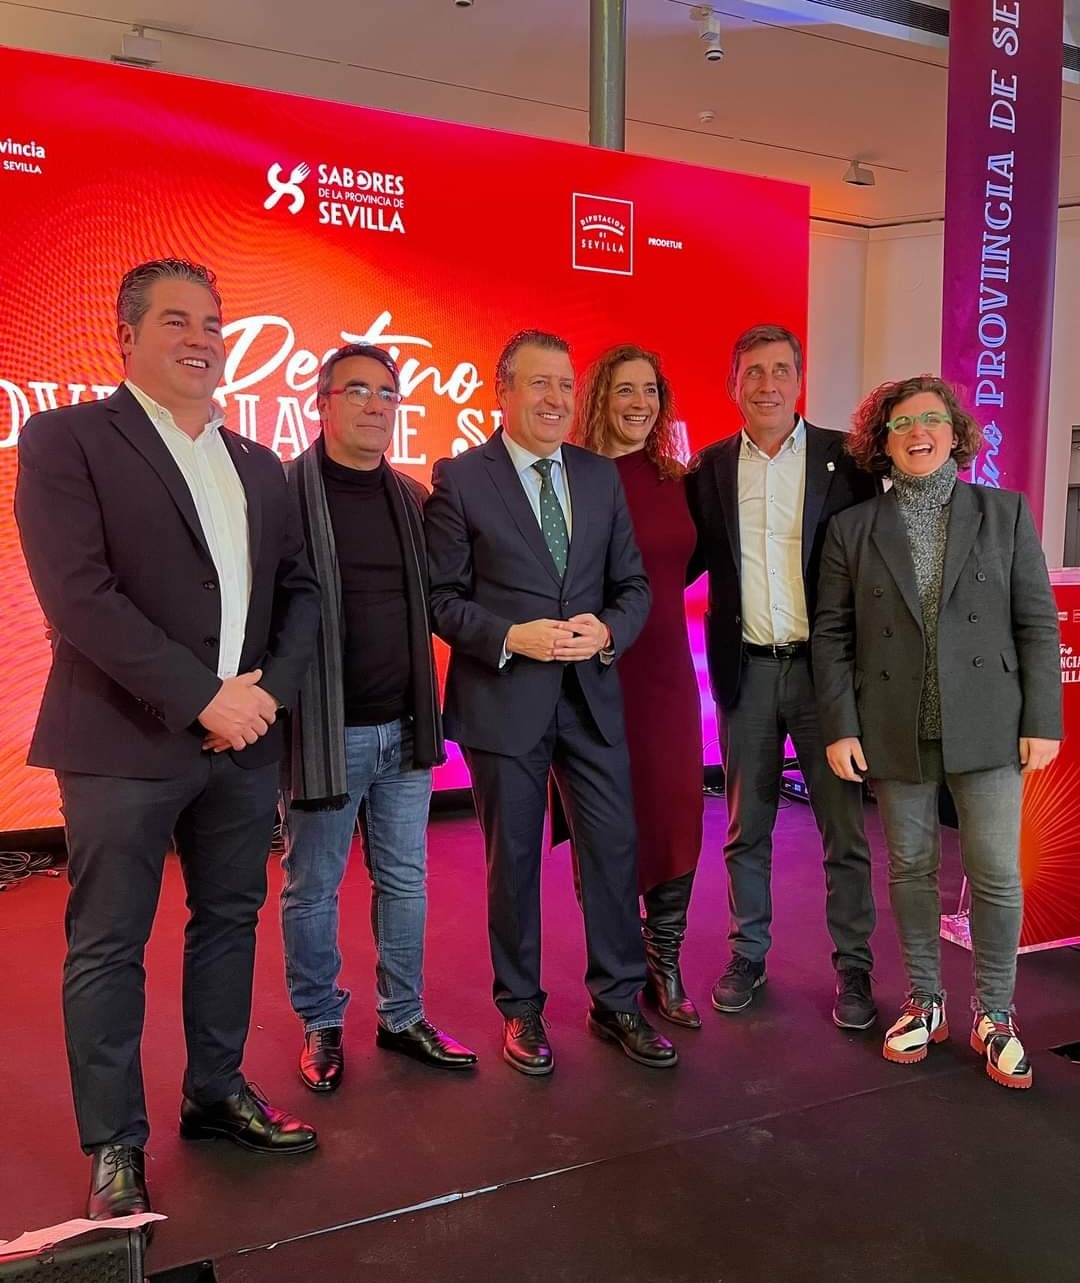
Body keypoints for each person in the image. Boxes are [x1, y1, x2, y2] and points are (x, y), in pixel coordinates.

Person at [14, 259, 322, 1221]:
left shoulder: (259, 461)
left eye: (213, 323)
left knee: (229, 919)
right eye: (177, 321)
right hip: (120, 742)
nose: (201, 339)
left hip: (243, 743)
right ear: (127, 336)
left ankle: (215, 1091)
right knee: (109, 942)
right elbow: (79, 595)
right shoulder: (66, 438)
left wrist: (263, 697)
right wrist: (202, 699)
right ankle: (114, 1142)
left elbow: (303, 591)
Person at [424, 329, 675, 1076]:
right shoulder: (461, 478)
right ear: (502, 392)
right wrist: (510, 636)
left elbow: (634, 586)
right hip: (504, 701)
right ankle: (521, 1009)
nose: (556, 399)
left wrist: (609, 629)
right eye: (539, 383)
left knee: (614, 851)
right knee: (515, 862)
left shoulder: (598, 476)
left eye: (565, 384)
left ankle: (618, 1002)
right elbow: (441, 599)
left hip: (591, 697)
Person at [813, 375, 1061, 1088]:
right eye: (901, 423)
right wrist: (841, 726)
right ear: (882, 442)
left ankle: (996, 1012)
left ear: (955, 432)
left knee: (996, 873)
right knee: (912, 869)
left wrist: (1042, 718)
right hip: (895, 721)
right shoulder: (854, 528)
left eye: (930, 419)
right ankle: (925, 1000)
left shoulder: (1005, 512)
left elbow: (1036, 623)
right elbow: (832, 635)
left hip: (989, 719)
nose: (917, 432)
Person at [279, 342, 477, 1092]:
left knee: (405, 880)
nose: (374, 405)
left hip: (407, 727)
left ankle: (403, 1016)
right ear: (322, 403)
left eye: (387, 393)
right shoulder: (282, 495)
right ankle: (320, 1022)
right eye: (356, 390)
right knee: (312, 887)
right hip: (323, 733)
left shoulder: (413, 498)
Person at [685, 323, 879, 1029]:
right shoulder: (708, 470)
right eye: (753, 372)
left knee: (843, 832)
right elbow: (677, 560)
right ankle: (747, 954)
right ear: (732, 384)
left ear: (799, 380)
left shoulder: (848, 461)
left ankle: (854, 967)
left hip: (826, 676)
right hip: (747, 672)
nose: (767, 385)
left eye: (780, 371)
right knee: (746, 829)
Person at [568, 343, 704, 1028]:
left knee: (677, 810)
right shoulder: (570, 478)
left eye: (650, 390)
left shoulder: (679, 476)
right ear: (600, 398)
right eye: (625, 389)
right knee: (606, 826)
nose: (640, 403)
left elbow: (686, 562)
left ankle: (665, 960)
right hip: (595, 674)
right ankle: (618, 972)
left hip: (668, 674)